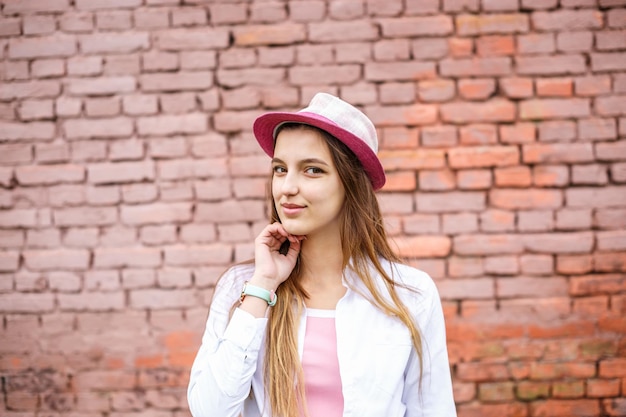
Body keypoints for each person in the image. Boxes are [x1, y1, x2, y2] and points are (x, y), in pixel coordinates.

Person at [187, 93, 457, 417]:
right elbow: (209, 411)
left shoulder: (409, 293)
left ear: (351, 185)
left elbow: (432, 410)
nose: (287, 187)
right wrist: (262, 287)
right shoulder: (242, 288)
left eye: (312, 170)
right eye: (280, 169)